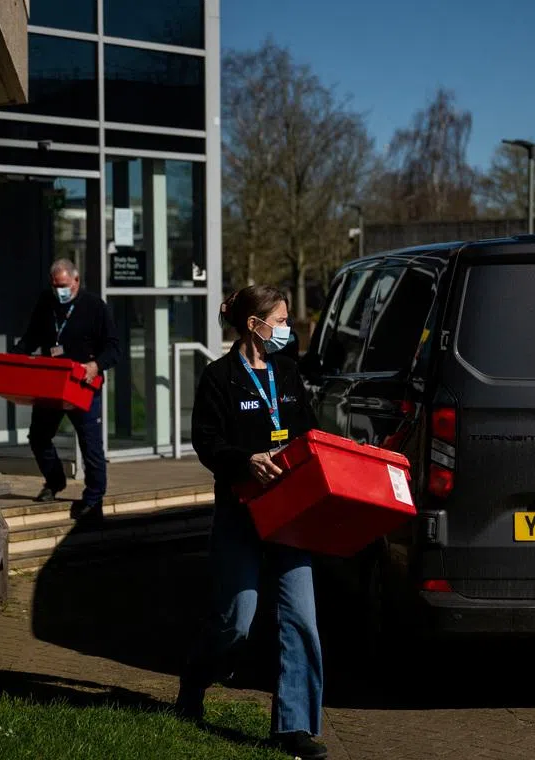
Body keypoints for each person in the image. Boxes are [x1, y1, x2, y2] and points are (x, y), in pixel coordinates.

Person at [175, 285, 328, 760]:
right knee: (235, 621)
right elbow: (206, 442)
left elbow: (305, 428)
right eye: (280, 321)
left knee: (301, 618)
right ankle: (194, 683)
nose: (287, 329)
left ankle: (293, 728)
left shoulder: (287, 371)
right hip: (242, 513)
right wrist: (246, 460)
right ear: (254, 324)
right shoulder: (219, 378)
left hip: (291, 514)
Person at [13, 258, 119, 522]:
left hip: (82, 385)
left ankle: (94, 498)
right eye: (55, 285)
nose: (60, 290)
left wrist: (96, 366)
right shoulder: (46, 304)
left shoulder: (95, 307)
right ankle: (54, 480)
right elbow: (31, 338)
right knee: (38, 436)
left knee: (90, 443)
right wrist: (16, 356)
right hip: (51, 384)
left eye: (64, 285)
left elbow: (114, 348)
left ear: (76, 281)